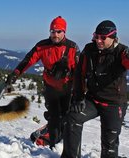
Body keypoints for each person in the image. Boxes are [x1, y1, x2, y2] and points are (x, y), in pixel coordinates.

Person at [6, 16, 80, 149]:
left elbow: (79, 71)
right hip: (50, 86)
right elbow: (28, 60)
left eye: (59, 31)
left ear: (64, 32)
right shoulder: (42, 46)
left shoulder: (72, 48)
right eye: (52, 31)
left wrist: (80, 90)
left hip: (67, 88)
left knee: (66, 116)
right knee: (55, 116)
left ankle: (53, 136)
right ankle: (49, 141)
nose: (55, 35)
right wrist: (15, 74)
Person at [61, 20, 129, 158]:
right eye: (96, 36)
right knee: (72, 118)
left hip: (114, 104)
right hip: (93, 99)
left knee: (109, 145)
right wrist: (79, 97)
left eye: (103, 38)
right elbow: (80, 74)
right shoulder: (89, 50)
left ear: (113, 37)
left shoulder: (121, 52)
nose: (98, 40)